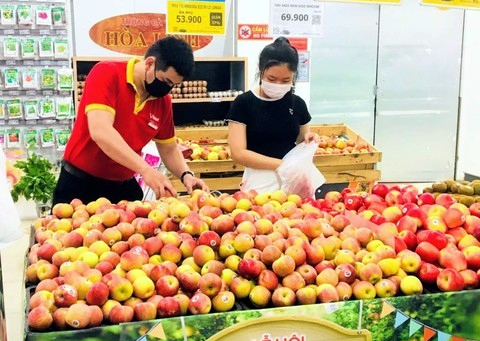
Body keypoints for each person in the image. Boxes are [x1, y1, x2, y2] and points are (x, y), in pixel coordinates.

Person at [52, 36, 208, 206]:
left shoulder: (163, 102)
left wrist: (187, 175)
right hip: (80, 186)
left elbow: (169, 149)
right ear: (149, 63)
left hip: (122, 190)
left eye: (174, 85)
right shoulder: (107, 73)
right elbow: (101, 131)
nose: (168, 89)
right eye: (166, 81)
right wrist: (145, 170)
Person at [226, 37, 319, 194]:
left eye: (285, 80)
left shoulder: (297, 104)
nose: (278, 85)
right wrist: (281, 165)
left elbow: (302, 141)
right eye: (271, 79)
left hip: (293, 179)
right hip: (259, 181)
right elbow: (238, 153)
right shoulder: (244, 103)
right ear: (261, 71)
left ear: (294, 77)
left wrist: (309, 139)